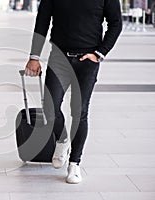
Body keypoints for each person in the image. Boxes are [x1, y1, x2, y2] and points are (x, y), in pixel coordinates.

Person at [25, 0, 122, 184]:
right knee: (50, 107)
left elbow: (116, 23)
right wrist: (34, 57)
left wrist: (100, 53)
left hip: (88, 61)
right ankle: (62, 141)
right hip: (59, 57)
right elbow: (42, 21)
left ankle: (74, 164)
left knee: (79, 112)